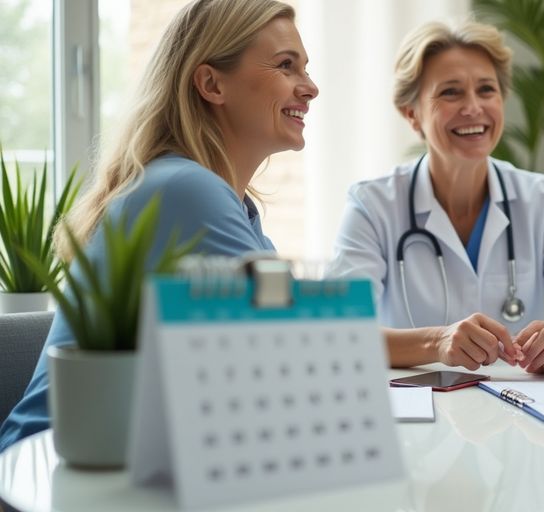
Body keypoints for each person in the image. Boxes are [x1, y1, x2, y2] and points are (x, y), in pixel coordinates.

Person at [0, 0, 318, 452]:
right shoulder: (186, 190)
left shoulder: (233, 205)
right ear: (211, 84)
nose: (311, 88)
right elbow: (300, 352)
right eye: (286, 66)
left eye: (305, 68)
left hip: (115, 454)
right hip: (53, 465)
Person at [329, 20, 544, 375]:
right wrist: (436, 342)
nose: (473, 107)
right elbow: (338, 330)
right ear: (412, 114)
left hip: (516, 404)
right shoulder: (373, 205)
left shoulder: (540, 199)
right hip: (417, 404)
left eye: (486, 89)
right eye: (451, 92)